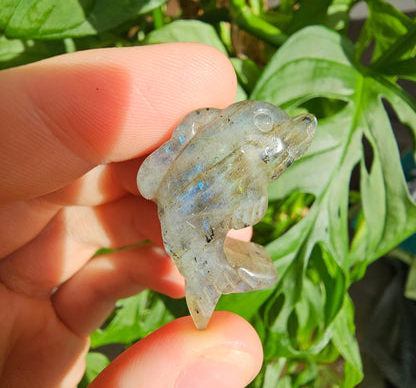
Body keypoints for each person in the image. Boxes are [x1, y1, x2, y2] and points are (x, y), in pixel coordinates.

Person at [0, 43, 263, 387]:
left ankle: (209, 270)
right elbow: (185, 139)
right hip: (183, 207)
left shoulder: (240, 149)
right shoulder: (227, 130)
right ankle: (207, 271)